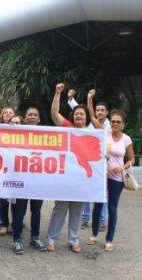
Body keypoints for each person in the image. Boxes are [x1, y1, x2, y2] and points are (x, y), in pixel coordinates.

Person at [45, 84, 101, 253]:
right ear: (73, 116)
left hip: (83, 180)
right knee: (59, 209)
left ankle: (74, 240)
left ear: (86, 118)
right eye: (76, 113)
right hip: (65, 180)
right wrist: (57, 92)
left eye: (81, 114)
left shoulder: (94, 133)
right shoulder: (67, 127)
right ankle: (50, 239)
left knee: (77, 211)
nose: (78, 116)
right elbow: (55, 114)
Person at [86, 109, 135, 252]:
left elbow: (132, 159)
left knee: (112, 208)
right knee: (98, 205)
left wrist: (122, 167)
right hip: (102, 176)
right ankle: (94, 234)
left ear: (123, 124)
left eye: (118, 122)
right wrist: (90, 99)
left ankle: (109, 239)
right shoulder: (104, 133)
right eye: (113, 121)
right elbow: (92, 117)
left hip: (117, 178)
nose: (115, 123)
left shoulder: (126, 139)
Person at [68, 89, 110, 230]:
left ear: (107, 112)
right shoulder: (89, 126)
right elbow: (82, 111)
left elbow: (89, 114)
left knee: (100, 192)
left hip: (100, 164)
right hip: (86, 162)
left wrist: (89, 98)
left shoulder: (103, 127)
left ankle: (103, 220)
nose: (99, 112)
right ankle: (85, 218)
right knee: (86, 191)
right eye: (97, 110)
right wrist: (88, 98)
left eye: (102, 110)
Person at [11, 107, 47, 254]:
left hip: (38, 180)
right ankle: (17, 240)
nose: (32, 117)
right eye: (29, 114)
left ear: (38, 119)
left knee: (36, 210)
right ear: (25, 118)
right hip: (21, 178)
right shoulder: (17, 134)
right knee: (19, 211)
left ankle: (34, 237)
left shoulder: (46, 135)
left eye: (35, 115)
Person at [0, 107, 15, 236]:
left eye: (10, 112)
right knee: (3, 198)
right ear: (2, 116)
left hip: (16, 168)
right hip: (1, 168)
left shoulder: (21, 129)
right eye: (6, 112)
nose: (8, 114)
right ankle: (4, 223)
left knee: (15, 198)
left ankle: (15, 222)